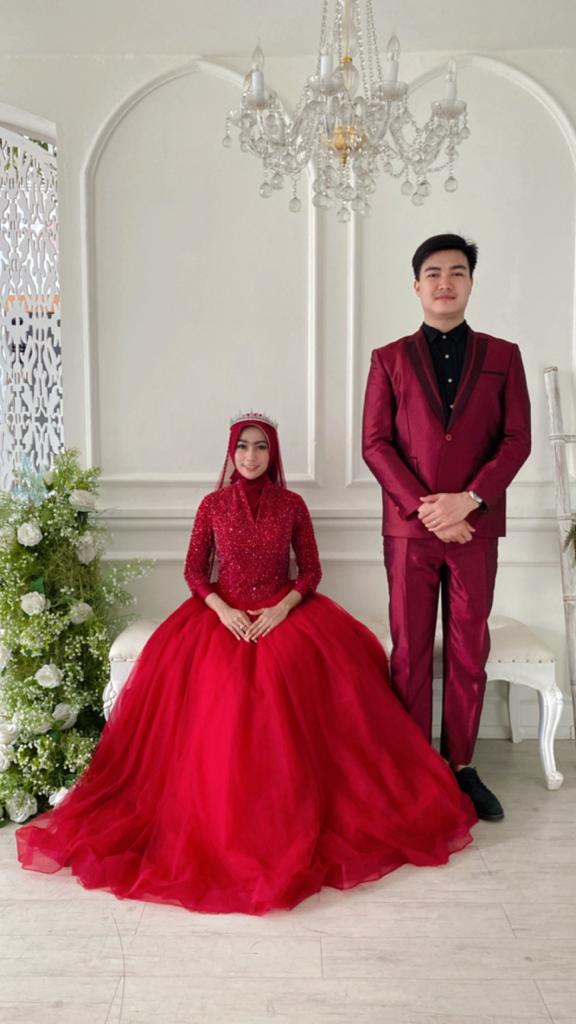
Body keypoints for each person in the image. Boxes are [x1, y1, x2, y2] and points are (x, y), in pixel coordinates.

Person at [16, 413, 476, 915]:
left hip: (284, 613)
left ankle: (298, 805)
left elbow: (311, 570)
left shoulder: (292, 504)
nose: (251, 456)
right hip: (223, 615)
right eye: (243, 447)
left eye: (260, 447)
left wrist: (282, 608)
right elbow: (194, 571)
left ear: (272, 454)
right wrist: (223, 610)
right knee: (224, 689)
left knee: (303, 679)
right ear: (231, 453)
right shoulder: (213, 505)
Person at [362, 234, 531, 823]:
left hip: (475, 530)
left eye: (457, 272)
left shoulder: (503, 356)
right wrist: (427, 509)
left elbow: (516, 440)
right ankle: (414, 769)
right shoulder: (388, 358)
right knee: (410, 651)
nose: (445, 282)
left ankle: (461, 766)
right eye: (433, 273)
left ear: (470, 283)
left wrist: (470, 502)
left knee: (468, 649)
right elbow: (375, 444)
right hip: (410, 533)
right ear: (416, 285)